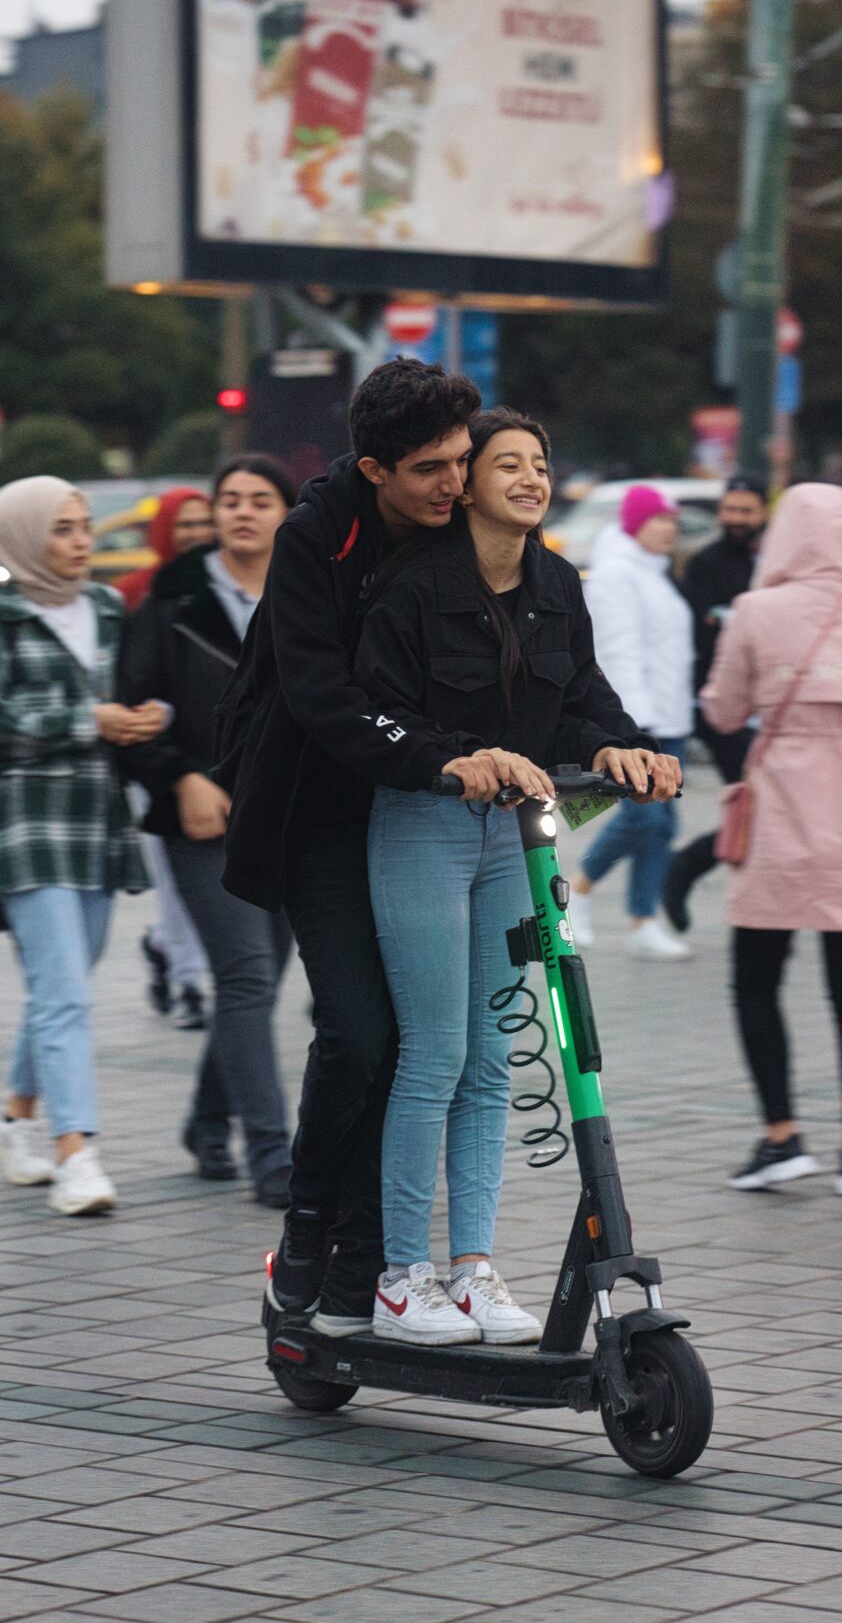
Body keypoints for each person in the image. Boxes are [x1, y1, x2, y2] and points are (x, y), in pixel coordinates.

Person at [354, 410, 680, 1343]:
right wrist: (458, 757)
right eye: (509, 465)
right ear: (467, 486)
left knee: (494, 1056)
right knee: (436, 1053)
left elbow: (581, 698)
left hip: (515, 837)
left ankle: (473, 1272)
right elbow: (377, 709)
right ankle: (401, 1278)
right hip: (422, 826)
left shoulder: (556, 583)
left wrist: (621, 748)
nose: (532, 478)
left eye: (540, 463)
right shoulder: (413, 584)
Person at [219, 358, 483, 1334]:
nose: (453, 485)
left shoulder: (460, 521)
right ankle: (306, 1224)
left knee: (421, 1044)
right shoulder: (314, 534)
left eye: (461, 461)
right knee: (359, 1033)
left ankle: (367, 1259)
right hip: (317, 808)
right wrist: (436, 758)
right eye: (430, 469)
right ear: (374, 470)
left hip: (417, 810)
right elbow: (319, 696)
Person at [703, 483, 842, 1199]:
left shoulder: (756, 611)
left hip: (784, 814)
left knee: (756, 979)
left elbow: (723, 711)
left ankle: (783, 1135)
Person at [0, 476, 164, 1216]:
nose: (82, 542)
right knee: (67, 994)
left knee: (63, 984)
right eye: (62, 529)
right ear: (21, 537)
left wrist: (147, 715)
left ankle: (15, 1120)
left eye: (83, 527)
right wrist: (89, 720)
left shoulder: (107, 607)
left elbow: (135, 686)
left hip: (96, 821)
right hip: (25, 822)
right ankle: (77, 1153)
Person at [121, 455, 297, 1207]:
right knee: (246, 975)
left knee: (258, 981)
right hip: (200, 819)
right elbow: (134, 707)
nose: (242, 512)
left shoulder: (310, 593)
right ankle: (272, 1154)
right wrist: (180, 776)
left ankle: (204, 1123)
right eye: (230, 500)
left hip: (289, 817)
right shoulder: (173, 597)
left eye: (260, 500)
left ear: (287, 514)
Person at [569, 485, 693, 960]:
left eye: (673, 521)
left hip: (671, 718)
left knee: (663, 824)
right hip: (641, 723)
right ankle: (579, 889)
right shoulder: (617, 574)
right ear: (635, 522)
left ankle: (643, 921)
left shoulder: (656, 574)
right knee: (643, 816)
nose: (669, 529)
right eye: (659, 519)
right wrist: (634, 729)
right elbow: (617, 653)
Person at [120, 488, 216, 1029]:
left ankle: (162, 947)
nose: (196, 534)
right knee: (177, 887)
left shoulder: (233, 587)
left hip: (221, 765)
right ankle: (189, 985)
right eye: (184, 524)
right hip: (162, 765)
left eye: (204, 522)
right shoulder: (137, 593)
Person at [663, 474, 768, 933]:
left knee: (762, 810)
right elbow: (703, 633)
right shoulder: (706, 563)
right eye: (730, 509)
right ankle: (686, 868)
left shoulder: (771, 560)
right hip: (721, 707)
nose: (736, 519)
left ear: (763, 513)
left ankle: (693, 869)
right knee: (754, 806)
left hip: (769, 707)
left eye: (746, 510)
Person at [118, 487, 213, 612]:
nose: (199, 534)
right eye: (186, 525)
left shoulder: (229, 583)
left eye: (207, 523)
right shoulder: (133, 591)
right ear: (164, 529)